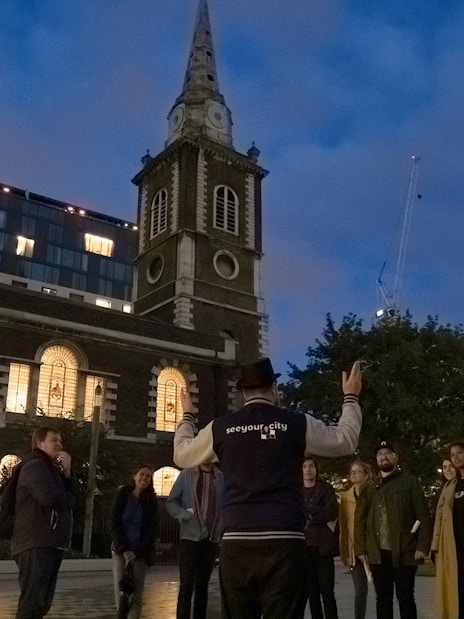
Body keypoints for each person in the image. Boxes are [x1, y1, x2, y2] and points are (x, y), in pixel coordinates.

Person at [173, 357, 362, 619]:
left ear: (242, 392)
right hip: (285, 540)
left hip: (237, 542)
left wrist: (187, 417)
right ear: (274, 388)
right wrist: (350, 398)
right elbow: (346, 440)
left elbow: (182, 455)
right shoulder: (296, 423)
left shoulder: (221, 428)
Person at [354, 441, 432, 619]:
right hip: (377, 554)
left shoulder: (410, 483)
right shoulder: (369, 487)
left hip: (405, 551)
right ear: (376, 459)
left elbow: (423, 516)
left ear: (395, 457)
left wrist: (422, 546)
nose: (384, 456)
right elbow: (359, 521)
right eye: (380, 454)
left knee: (405, 598)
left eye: (388, 453)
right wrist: (360, 549)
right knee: (382, 599)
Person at [11, 425, 75, 619]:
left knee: (41, 603)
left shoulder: (51, 468)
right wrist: (68, 498)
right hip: (35, 541)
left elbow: (69, 498)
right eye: (53, 440)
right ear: (40, 443)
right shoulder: (35, 466)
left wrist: (67, 473)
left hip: (47, 541)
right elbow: (50, 497)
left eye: (60, 440)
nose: (59, 444)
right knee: (32, 602)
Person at [166, 463, 224, 619]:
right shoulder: (186, 475)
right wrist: (184, 515)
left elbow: (226, 503)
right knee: (186, 584)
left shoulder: (221, 477)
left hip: (211, 537)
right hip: (189, 537)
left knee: (202, 585)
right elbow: (171, 501)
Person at [110, 464, 158, 619]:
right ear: (134, 476)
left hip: (140, 552)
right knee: (121, 593)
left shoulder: (151, 500)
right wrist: (124, 549)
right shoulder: (122, 494)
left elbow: (152, 529)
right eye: (142, 474)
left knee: (136, 596)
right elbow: (114, 522)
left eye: (148, 476)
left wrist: (136, 552)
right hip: (120, 550)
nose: (144, 478)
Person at [302, 456, 339, 619]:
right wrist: (316, 513)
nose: (308, 469)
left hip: (323, 548)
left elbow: (331, 511)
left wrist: (309, 518)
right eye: (305, 467)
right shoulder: (296, 490)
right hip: (304, 548)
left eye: (311, 466)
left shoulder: (326, 488)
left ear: (316, 470)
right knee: (312, 593)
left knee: (327, 592)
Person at [339, 460, 373, 619]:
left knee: (382, 591)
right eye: (352, 471)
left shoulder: (374, 493)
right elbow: (344, 527)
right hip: (354, 550)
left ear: (366, 475)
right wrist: (345, 551)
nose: (353, 473)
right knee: (360, 591)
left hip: (373, 549)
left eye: (358, 471)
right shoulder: (345, 497)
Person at [431, 452, 460, 619]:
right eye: (444, 467)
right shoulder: (446, 488)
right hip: (445, 545)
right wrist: (435, 547)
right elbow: (438, 521)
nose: (448, 470)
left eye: (451, 466)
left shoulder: (457, 487)